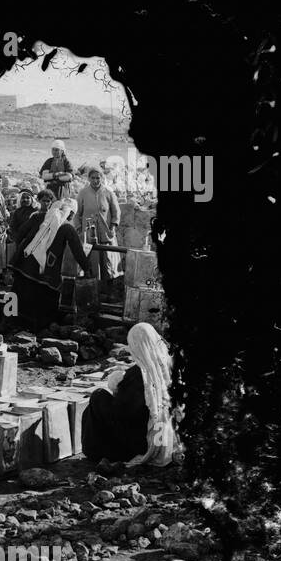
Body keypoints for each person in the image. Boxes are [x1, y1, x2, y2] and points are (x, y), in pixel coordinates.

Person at [82, 322, 178, 467]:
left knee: (98, 397)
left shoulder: (138, 375)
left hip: (138, 444)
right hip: (161, 437)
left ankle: (96, 451)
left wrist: (117, 387)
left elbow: (123, 412)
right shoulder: (167, 366)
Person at [10, 194, 92, 327]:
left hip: (24, 263)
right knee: (45, 298)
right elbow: (78, 251)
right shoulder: (67, 227)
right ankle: (39, 328)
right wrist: (87, 268)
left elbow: (20, 234)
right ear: (71, 214)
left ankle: (8, 322)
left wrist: (21, 254)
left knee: (16, 293)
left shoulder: (38, 217)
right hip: (46, 269)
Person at [73, 166, 122, 283]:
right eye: (93, 178)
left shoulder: (108, 192)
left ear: (102, 178)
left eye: (98, 178)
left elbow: (116, 212)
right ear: (89, 179)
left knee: (108, 262)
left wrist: (113, 227)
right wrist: (79, 229)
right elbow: (76, 213)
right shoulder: (83, 193)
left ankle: (108, 288)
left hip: (106, 233)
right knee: (90, 263)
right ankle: (92, 288)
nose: (95, 180)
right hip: (88, 235)